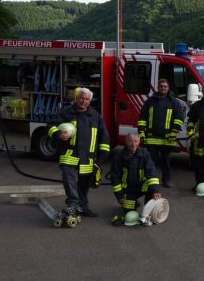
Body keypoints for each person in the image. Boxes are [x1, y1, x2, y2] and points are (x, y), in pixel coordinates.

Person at [48, 87, 110, 217]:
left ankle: (82, 206)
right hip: (69, 154)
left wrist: (103, 154)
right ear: (76, 98)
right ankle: (73, 204)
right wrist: (58, 134)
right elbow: (51, 125)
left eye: (87, 99)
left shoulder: (95, 116)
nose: (84, 101)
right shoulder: (66, 113)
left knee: (84, 183)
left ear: (90, 101)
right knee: (68, 178)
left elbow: (104, 135)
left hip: (88, 156)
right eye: (81, 98)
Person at [138, 78, 185, 188]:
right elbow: (142, 118)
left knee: (165, 161)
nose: (163, 88)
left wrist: (174, 131)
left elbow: (179, 117)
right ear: (158, 88)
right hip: (151, 137)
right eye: (161, 86)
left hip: (167, 138)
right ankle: (152, 181)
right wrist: (141, 132)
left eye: (165, 86)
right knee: (151, 162)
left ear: (168, 88)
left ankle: (166, 180)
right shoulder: (149, 101)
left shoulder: (174, 102)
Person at [109, 133, 161, 226]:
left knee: (151, 188)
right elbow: (115, 177)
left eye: (136, 141)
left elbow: (151, 171)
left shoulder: (145, 153)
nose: (133, 144)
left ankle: (147, 212)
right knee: (129, 214)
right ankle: (133, 203)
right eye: (131, 141)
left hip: (141, 186)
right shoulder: (119, 156)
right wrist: (119, 196)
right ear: (126, 142)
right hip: (128, 189)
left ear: (139, 142)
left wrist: (155, 190)